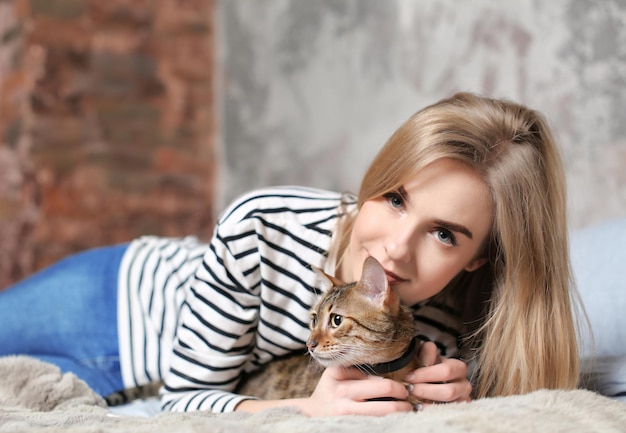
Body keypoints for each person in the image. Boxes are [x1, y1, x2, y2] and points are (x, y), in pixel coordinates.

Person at [0, 92, 581, 416]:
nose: (395, 249)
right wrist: (306, 412)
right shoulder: (265, 221)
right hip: (110, 301)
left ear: (481, 259)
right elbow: (180, 406)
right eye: (395, 198)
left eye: (445, 234)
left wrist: (453, 397)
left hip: (128, 385)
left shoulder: (451, 327)